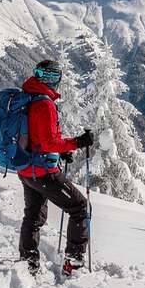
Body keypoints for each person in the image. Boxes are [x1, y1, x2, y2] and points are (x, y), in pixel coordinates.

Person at [18, 59, 94, 275]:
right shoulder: (44, 104)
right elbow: (47, 142)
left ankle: (28, 263)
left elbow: (37, 138)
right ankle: (73, 262)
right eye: (50, 76)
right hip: (43, 172)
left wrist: (60, 150)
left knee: (33, 217)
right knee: (80, 208)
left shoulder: (29, 97)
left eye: (54, 77)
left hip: (27, 170)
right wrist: (77, 142)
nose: (52, 81)